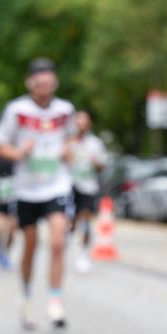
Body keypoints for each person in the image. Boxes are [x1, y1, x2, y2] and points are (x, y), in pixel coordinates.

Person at [0, 57, 74, 330]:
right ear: (30, 84)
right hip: (26, 189)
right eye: (39, 84)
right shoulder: (16, 110)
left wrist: (67, 150)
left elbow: (71, 137)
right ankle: (26, 299)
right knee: (31, 246)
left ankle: (55, 302)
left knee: (58, 241)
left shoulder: (65, 110)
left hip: (56, 184)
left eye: (49, 84)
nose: (44, 89)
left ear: (55, 83)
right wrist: (18, 153)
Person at [68, 110, 108, 273]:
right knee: (69, 222)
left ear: (89, 125)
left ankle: (83, 254)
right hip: (68, 186)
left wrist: (96, 163)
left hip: (88, 187)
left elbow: (102, 166)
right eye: (78, 123)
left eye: (84, 124)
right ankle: (65, 249)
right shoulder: (68, 141)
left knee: (85, 220)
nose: (81, 127)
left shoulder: (95, 143)